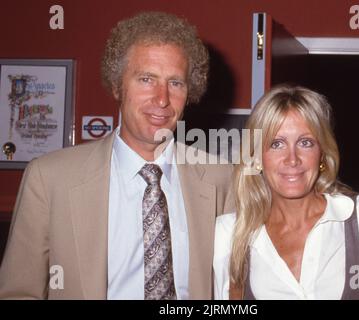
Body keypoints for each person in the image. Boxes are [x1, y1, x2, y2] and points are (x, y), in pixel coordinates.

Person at [0, 11, 234, 299]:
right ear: (116, 86)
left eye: (175, 83)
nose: (162, 99)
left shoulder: (223, 179)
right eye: (147, 79)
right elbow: (18, 292)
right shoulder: (49, 178)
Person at [213, 84, 359, 299]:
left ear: (322, 153)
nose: (292, 159)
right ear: (256, 157)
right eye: (276, 144)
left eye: (305, 142)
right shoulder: (230, 235)